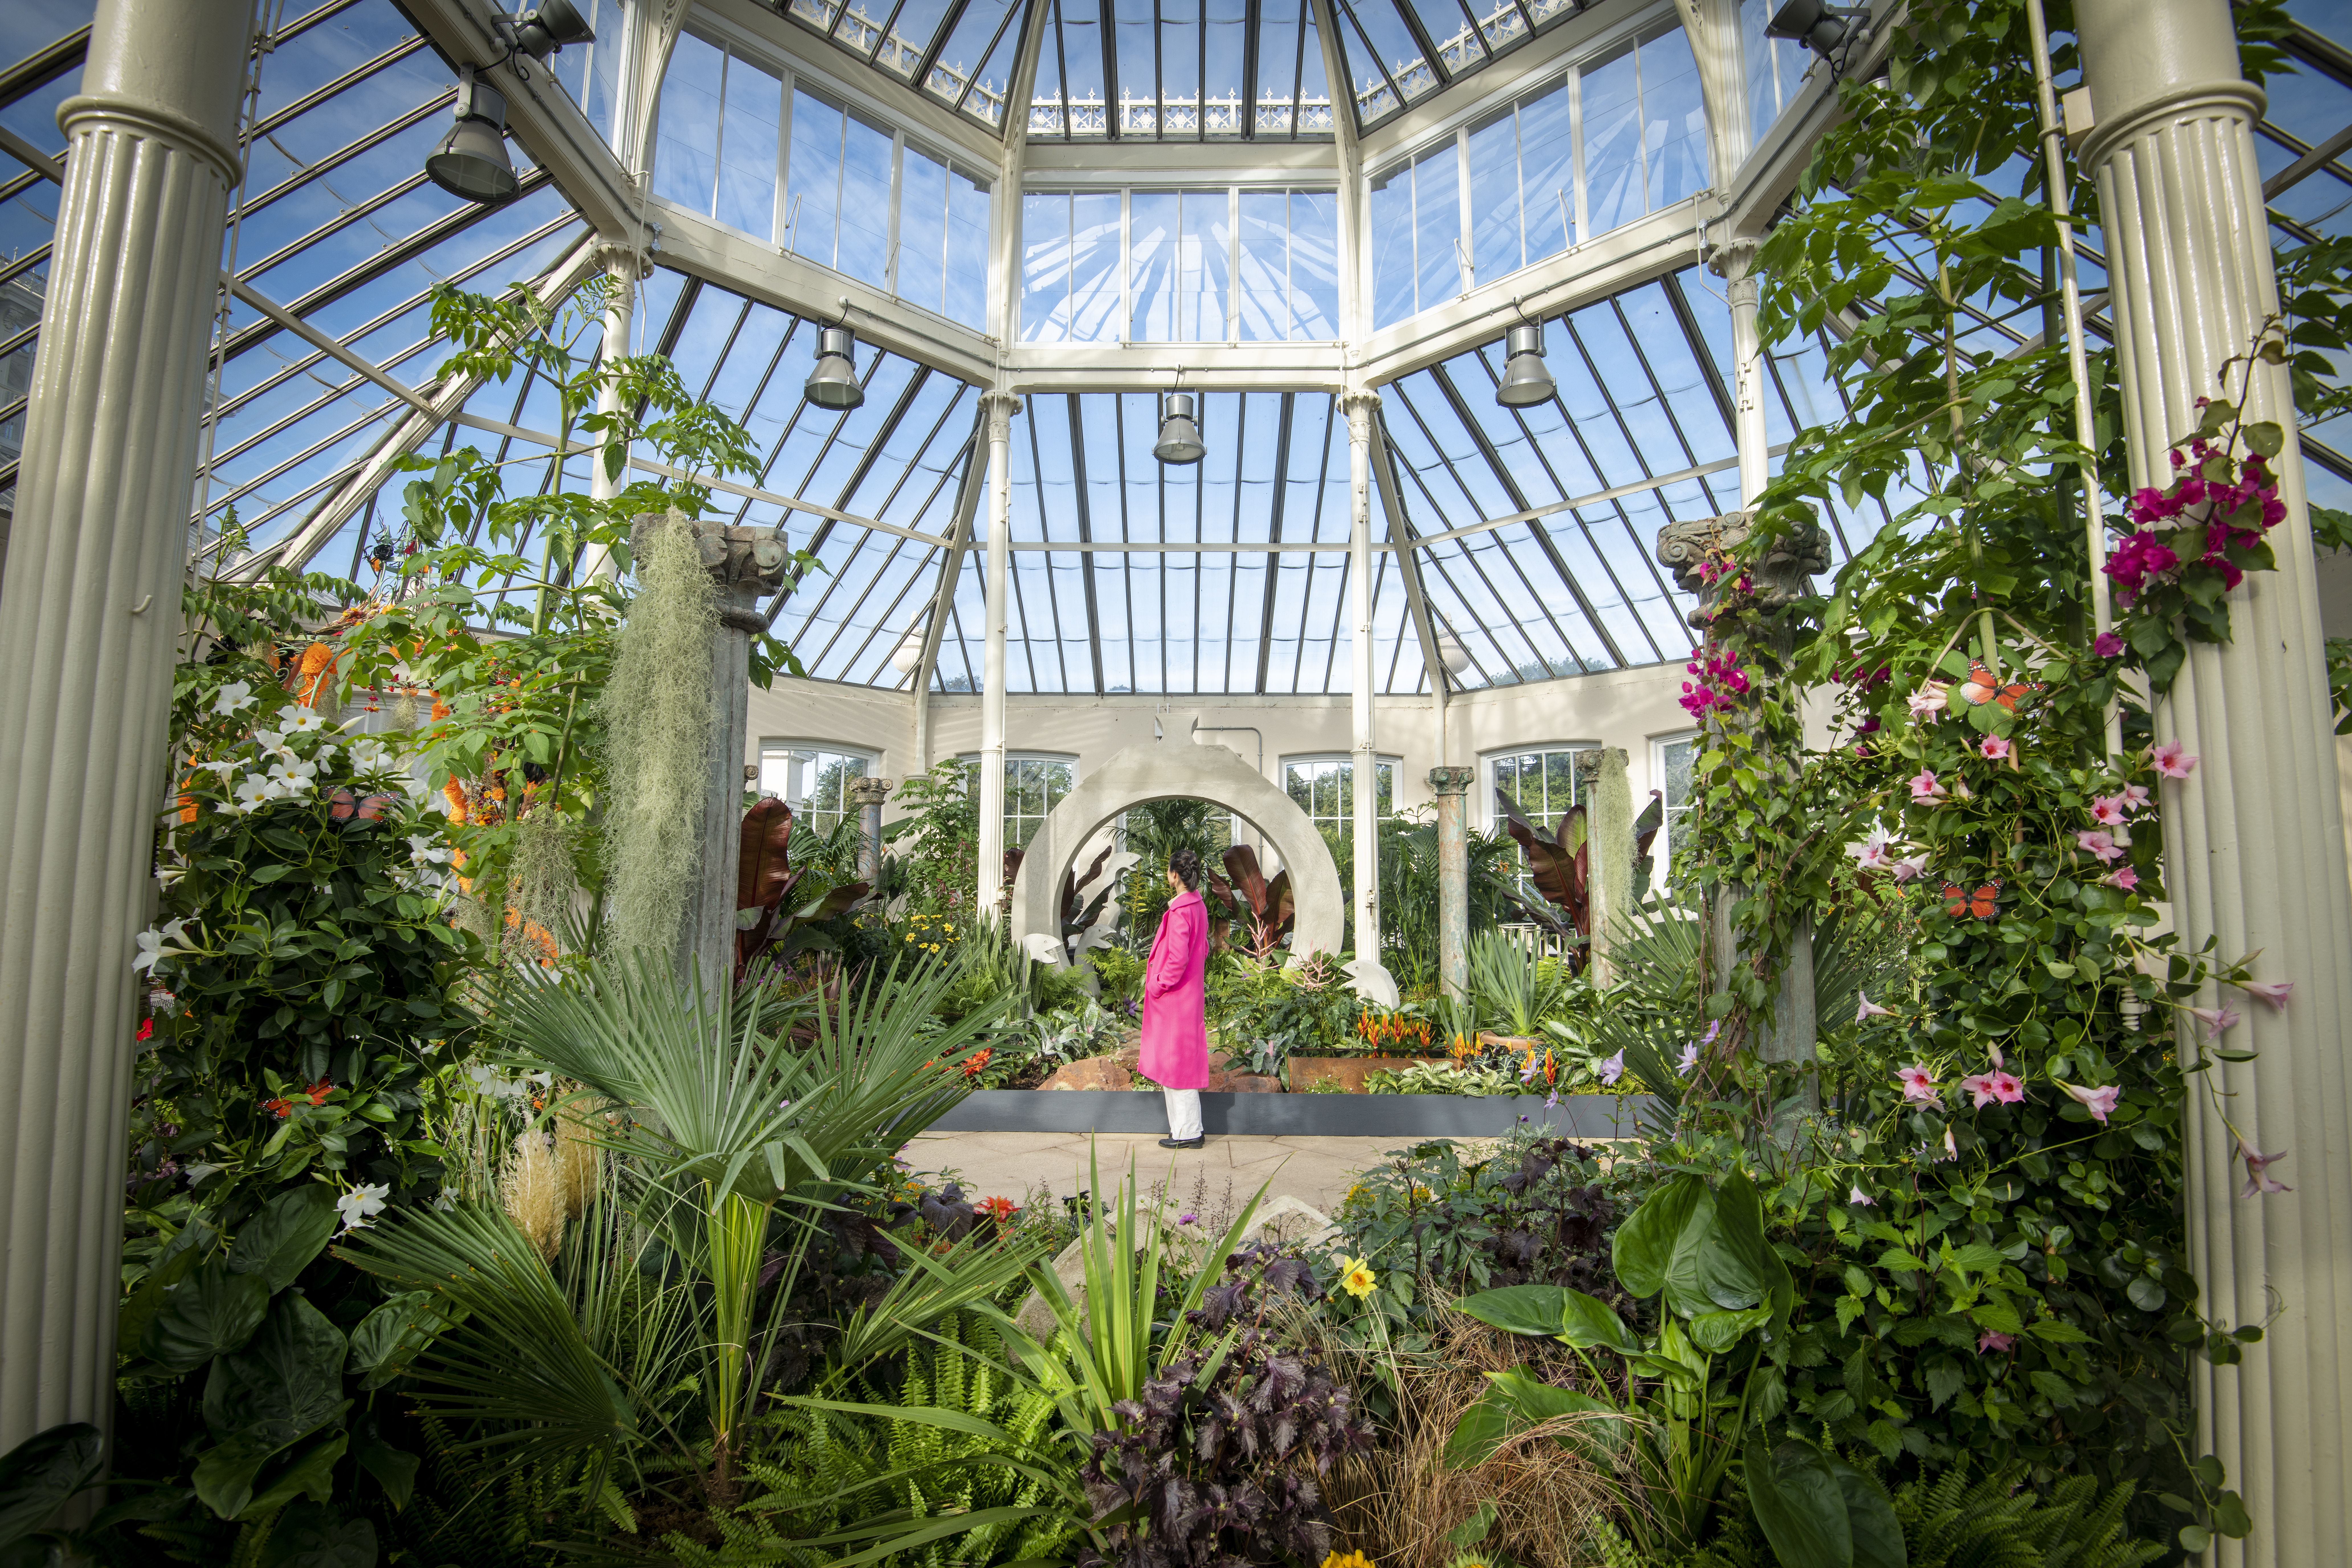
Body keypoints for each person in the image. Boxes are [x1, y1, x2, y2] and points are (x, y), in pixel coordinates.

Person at [1138, 848, 1211, 1149]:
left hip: (1175, 999)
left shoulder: (1182, 910)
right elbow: (1203, 949)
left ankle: (1187, 1132)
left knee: (1176, 1066)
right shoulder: (1198, 906)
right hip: (1187, 997)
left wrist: (1157, 984)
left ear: (1173, 875)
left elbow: (1178, 959)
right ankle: (1188, 1129)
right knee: (1180, 1064)